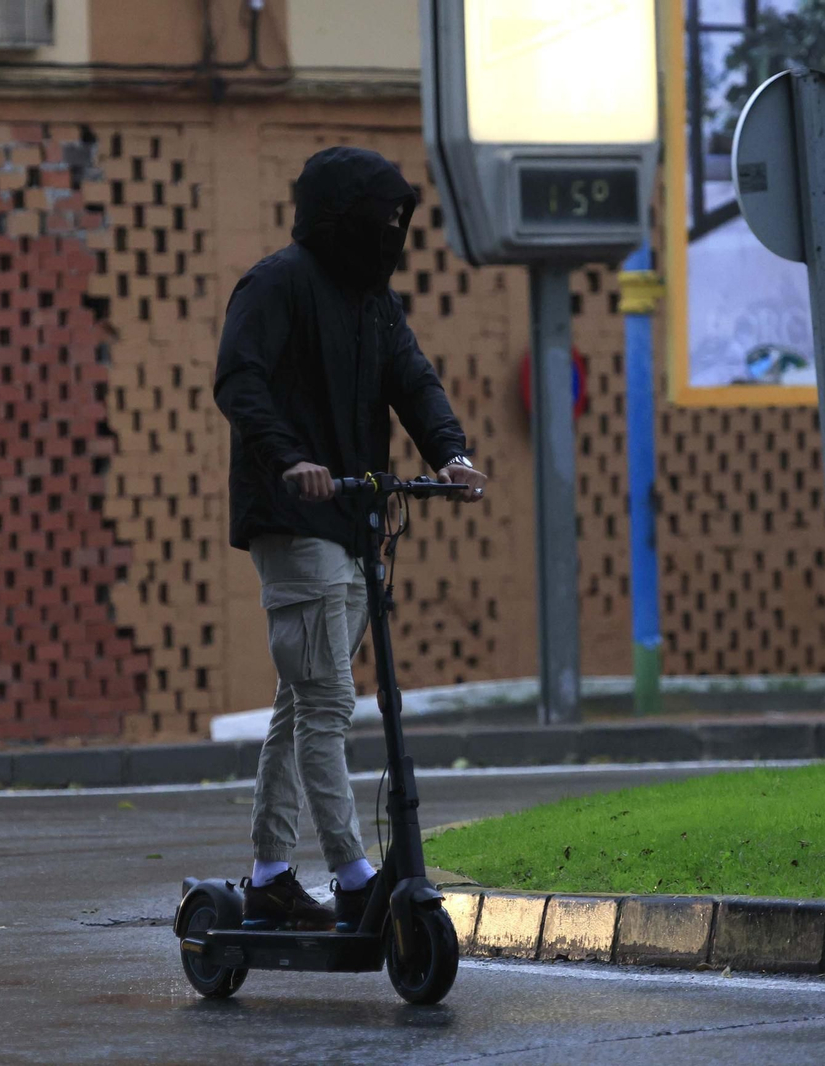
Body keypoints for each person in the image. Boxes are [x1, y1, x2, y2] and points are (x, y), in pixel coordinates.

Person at [213, 146, 489, 931]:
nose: (392, 230)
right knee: (329, 700)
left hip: (355, 522)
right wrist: (290, 459)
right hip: (293, 517)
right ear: (341, 215)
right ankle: (354, 872)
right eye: (382, 217)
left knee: (301, 702)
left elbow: (414, 381)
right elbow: (239, 378)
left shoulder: (375, 300)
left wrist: (452, 454)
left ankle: (268, 873)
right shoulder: (277, 283)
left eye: (401, 219)